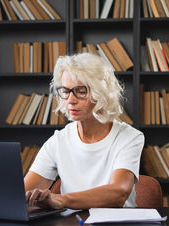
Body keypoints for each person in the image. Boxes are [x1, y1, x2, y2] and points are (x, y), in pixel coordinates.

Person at [24, 52, 144, 210]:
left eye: (81, 91)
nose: (70, 100)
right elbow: (24, 193)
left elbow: (119, 193)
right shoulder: (58, 141)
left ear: (101, 93)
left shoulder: (129, 137)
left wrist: (60, 200)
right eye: (66, 91)